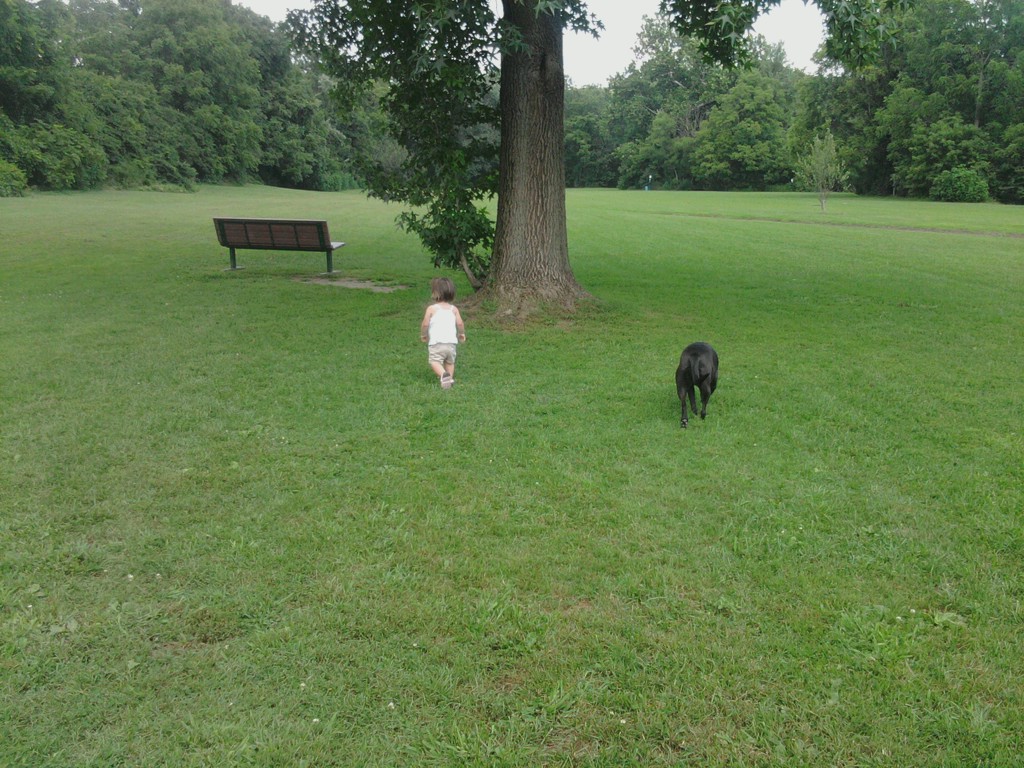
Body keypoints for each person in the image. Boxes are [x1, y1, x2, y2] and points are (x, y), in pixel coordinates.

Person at [420, 277, 466, 389]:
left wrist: (424, 335)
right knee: (450, 362)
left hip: (437, 343)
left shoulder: (432, 309)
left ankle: (443, 375)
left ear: (435, 293)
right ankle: (448, 380)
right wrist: (461, 334)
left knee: (435, 361)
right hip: (451, 343)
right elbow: (460, 323)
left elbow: (425, 324)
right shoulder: (453, 309)